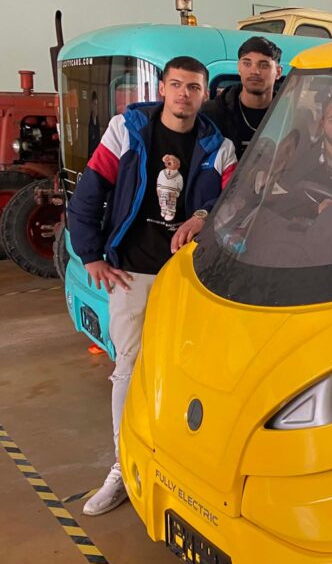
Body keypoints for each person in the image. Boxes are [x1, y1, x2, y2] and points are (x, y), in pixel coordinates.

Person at [67, 56, 236, 517]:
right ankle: (123, 468)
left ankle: (177, 465)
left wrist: (202, 216)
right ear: (162, 89)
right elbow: (89, 193)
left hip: (192, 280)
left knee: (192, 373)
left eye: (194, 87)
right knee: (128, 370)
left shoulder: (219, 147)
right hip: (133, 273)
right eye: (176, 84)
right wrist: (91, 255)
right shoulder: (127, 131)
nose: (184, 94)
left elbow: (234, 202)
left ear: (205, 94)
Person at [202, 36, 282, 158]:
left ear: (278, 72)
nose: (255, 71)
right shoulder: (210, 114)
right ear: (239, 68)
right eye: (247, 63)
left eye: (263, 65)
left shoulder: (290, 116)